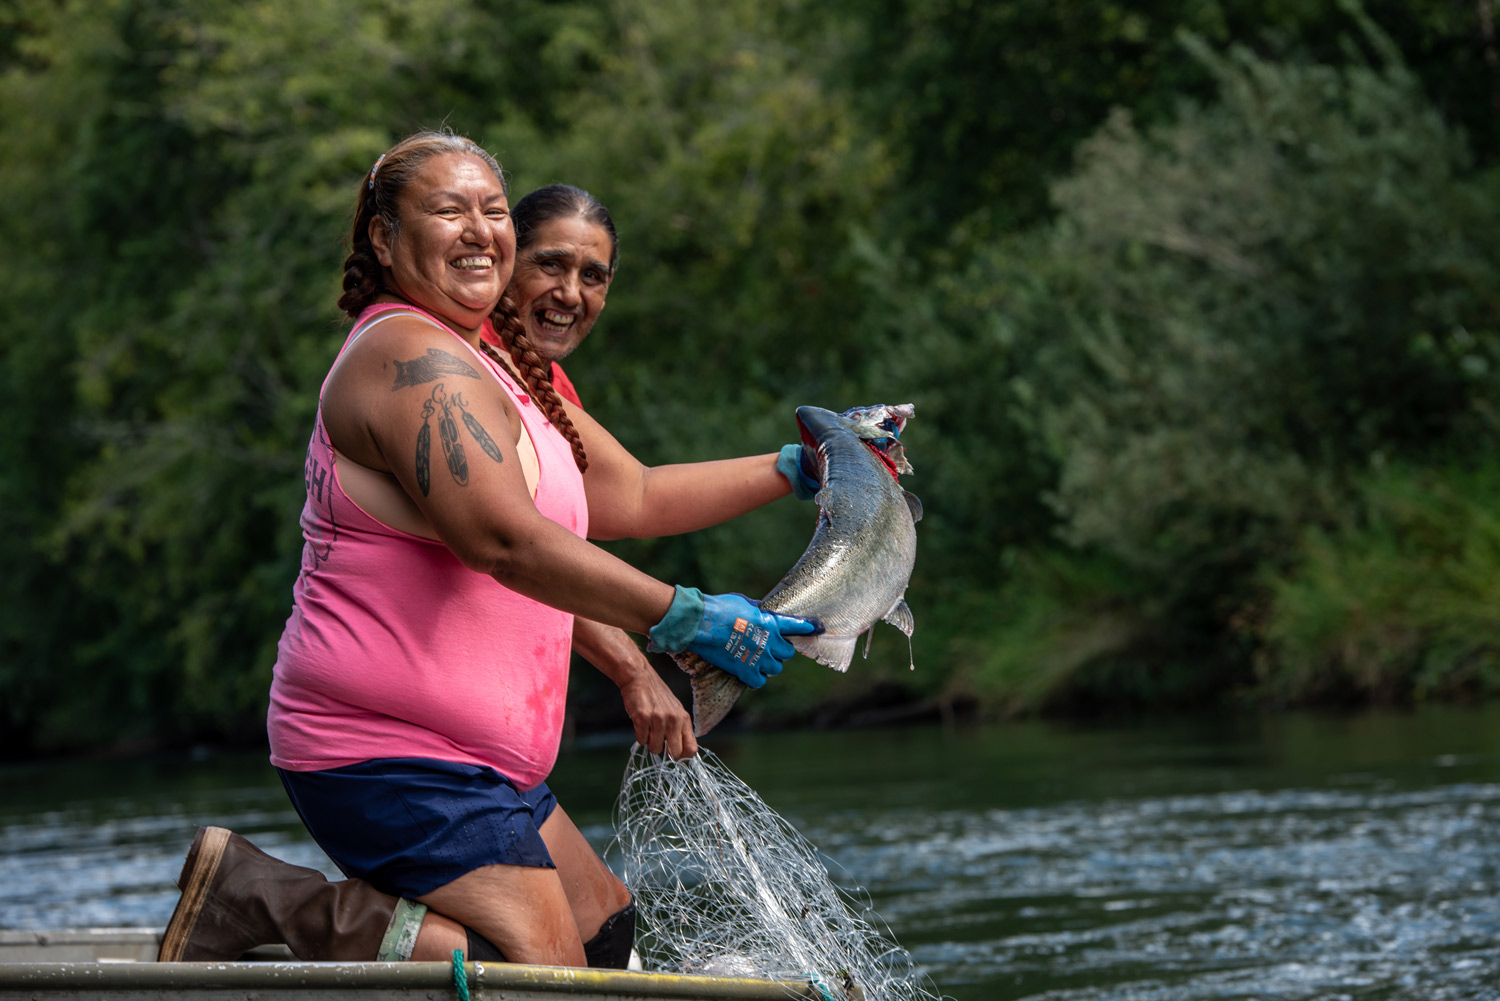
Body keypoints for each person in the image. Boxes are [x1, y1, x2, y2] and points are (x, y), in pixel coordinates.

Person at [156, 131, 824, 969]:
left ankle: (310, 906)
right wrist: (683, 616)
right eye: (447, 210)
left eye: (493, 210)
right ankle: (277, 898)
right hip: (386, 749)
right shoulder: (408, 355)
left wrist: (794, 467)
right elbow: (506, 540)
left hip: (477, 759)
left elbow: (635, 494)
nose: (478, 229)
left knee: (607, 935)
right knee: (547, 981)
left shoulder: (498, 367)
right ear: (382, 236)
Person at [486, 183, 696, 762]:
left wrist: (805, 464)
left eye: (593, 276)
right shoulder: (470, 366)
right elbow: (524, 546)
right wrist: (639, 662)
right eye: (549, 264)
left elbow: (635, 498)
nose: (569, 293)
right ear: (503, 260)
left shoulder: (550, 389)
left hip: (502, 736)